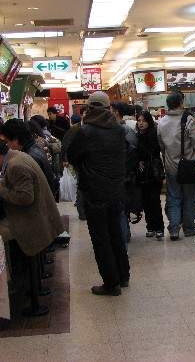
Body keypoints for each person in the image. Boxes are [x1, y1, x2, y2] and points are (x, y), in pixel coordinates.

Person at [67, 91, 130, 296]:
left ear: (89, 108)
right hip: (116, 190)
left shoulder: (85, 131)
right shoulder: (119, 130)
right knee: (116, 233)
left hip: (94, 192)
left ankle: (111, 284)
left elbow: (72, 156)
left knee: (101, 238)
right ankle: (123, 276)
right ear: (108, 108)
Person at [0, 140, 64, 259]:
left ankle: (8, 270)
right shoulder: (17, 156)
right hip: (36, 214)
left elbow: (25, 198)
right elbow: (17, 182)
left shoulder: (16, 165)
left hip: (30, 220)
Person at [157, 91, 195, 240]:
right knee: (190, 198)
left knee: (174, 197)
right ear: (181, 103)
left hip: (171, 167)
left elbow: (162, 146)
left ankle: (174, 229)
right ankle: (188, 228)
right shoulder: (188, 120)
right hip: (188, 167)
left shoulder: (161, 122)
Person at [0, 118, 60, 200]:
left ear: (16, 139)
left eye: (7, 142)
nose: (7, 146)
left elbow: (24, 196)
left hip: (39, 203)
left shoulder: (28, 157)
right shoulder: (35, 148)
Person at [110, 101, 139, 243]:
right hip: (123, 174)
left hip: (121, 175)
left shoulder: (123, 130)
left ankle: (123, 235)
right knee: (122, 207)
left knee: (121, 207)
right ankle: (124, 233)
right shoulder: (126, 130)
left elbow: (132, 152)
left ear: (115, 112)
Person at [136, 110, 165, 240]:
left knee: (154, 200)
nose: (141, 123)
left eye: (143, 121)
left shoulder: (153, 134)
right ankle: (150, 227)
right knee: (146, 200)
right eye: (139, 121)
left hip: (153, 171)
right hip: (143, 172)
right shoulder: (137, 135)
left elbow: (153, 152)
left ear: (149, 122)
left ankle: (159, 228)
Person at [62, 105, 88, 220]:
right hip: (79, 162)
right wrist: (66, 159)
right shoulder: (74, 130)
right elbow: (67, 145)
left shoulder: (95, 128)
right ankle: (82, 212)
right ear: (82, 114)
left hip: (92, 162)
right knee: (81, 185)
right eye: (86, 113)